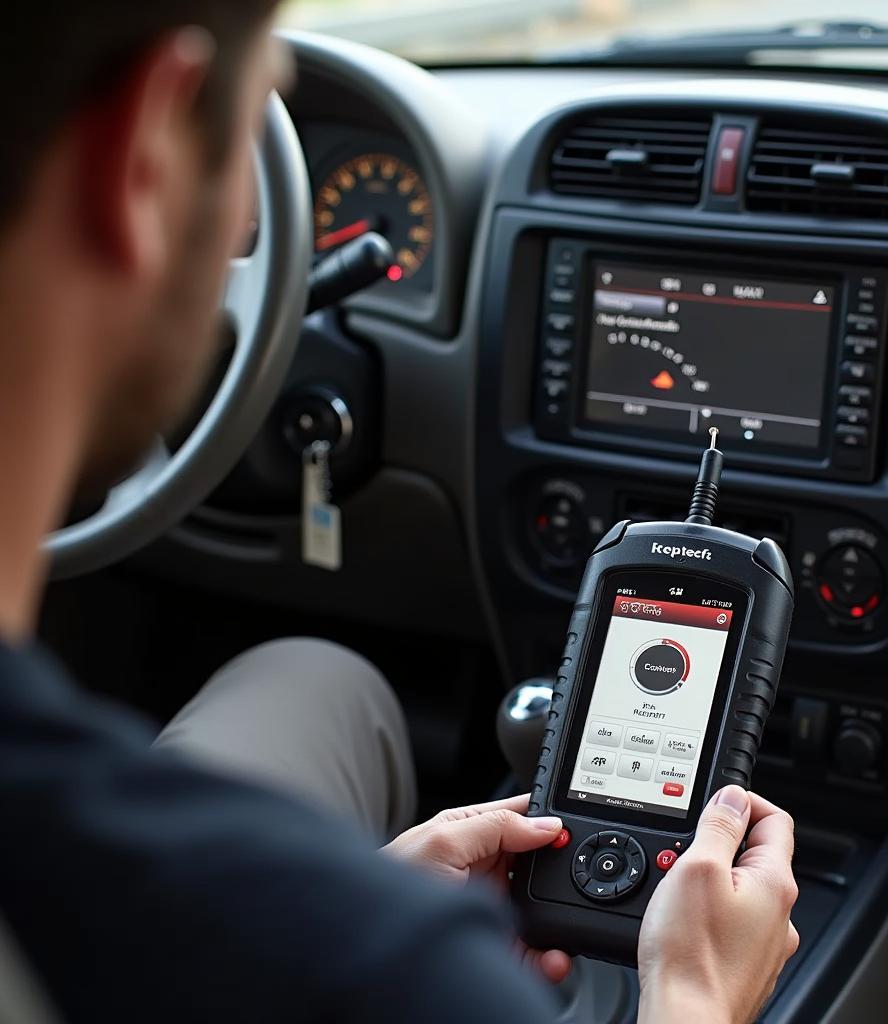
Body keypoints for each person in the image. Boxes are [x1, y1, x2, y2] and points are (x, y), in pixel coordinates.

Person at [0, 3, 800, 1022]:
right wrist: (691, 995)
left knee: (312, 671)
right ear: (143, 156)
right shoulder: (399, 976)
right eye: (255, 135)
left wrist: (363, 896)